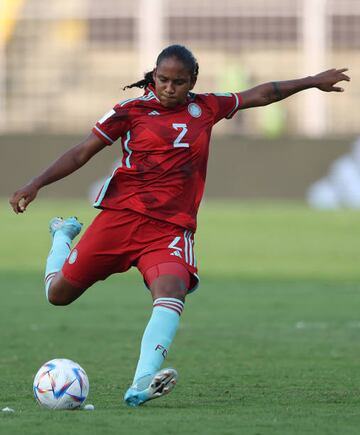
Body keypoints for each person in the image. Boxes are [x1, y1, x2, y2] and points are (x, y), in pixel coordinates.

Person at [9, 45, 350, 407]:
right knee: (57, 295)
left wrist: (312, 81)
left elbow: (262, 94)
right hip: (120, 218)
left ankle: (141, 383)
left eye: (179, 82)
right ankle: (62, 237)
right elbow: (81, 152)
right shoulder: (130, 111)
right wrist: (35, 183)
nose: (169, 88)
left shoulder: (206, 107)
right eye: (163, 80)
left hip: (170, 229)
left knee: (172, 289)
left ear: (193, 82)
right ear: (153, 76)